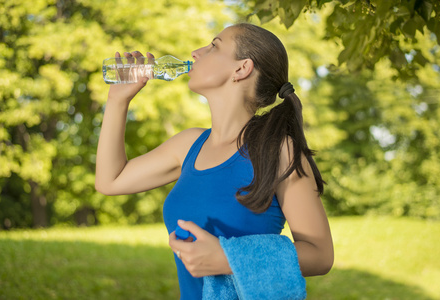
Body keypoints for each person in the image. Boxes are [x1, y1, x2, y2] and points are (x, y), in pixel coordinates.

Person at [95, 23, 334, 299]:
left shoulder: (279, 151)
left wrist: (227, 258)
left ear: (241, 68)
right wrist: (117, 101)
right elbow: (109, 181)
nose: (196, 53)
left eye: (214, 46)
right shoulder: (188, 145)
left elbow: (321, 255)